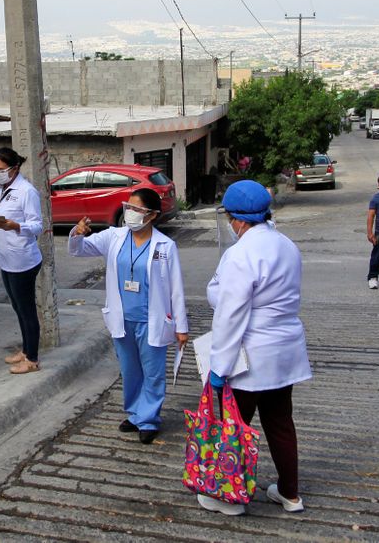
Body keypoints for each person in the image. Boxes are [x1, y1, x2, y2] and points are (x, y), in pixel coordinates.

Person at [201, 179, 311, 515]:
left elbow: (231, 317)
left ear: (238, 219)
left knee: (235, 426)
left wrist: (218, 367)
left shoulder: (240, 253)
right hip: (285, 350)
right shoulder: (286, 244)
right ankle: (290, 494)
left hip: (250, 355)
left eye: (231, 219)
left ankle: (229, 498)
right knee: (280, 422)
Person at [68, 189, 188, 444]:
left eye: (137, 210)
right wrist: (77, 234)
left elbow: (175, 288)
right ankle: (135, 414)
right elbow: (80, 250)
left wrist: (182, 326)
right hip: (123, 318)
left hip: (151, 319)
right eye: (128, 207)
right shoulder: (115, 236)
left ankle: (149, 419)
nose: (130, 214)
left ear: (153, 215)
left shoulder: (165, 246)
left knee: (153, 372)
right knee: (130, 370)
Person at [0, 147, 43, 374]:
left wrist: (16, 226)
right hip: (5, 259)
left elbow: (38, 226)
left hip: (22, 260)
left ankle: (32, 359)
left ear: (15, 168)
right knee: (17, 307)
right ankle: (25, 350)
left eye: (0, 169)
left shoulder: (26, 191)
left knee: (27, 309)